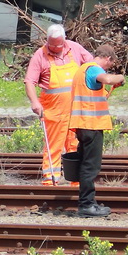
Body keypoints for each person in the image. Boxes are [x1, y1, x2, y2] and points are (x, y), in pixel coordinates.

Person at [24, 24, 93, 185]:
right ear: (47, 41)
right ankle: (51, 180)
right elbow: (29, 81)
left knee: (75, 145)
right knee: (53, 145)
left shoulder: (75, 49)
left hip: (76, 110)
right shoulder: (40, 55)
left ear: (65, 40)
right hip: (53, 110)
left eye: (59, 44)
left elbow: (92, 65)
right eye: (52, 44)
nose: (55, 47)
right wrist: (35, 102)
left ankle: (76, 181)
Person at [67, 44, 124, 217]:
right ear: (108, 58)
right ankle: (86, 205)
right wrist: (120, 77)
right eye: (110, 64)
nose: (109, 68)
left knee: (86, 164)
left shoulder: (81, 70)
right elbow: (106, 79)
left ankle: (88, 203)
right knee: (90, 166)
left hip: (83, 123)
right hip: (91, 124)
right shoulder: (92, 69)